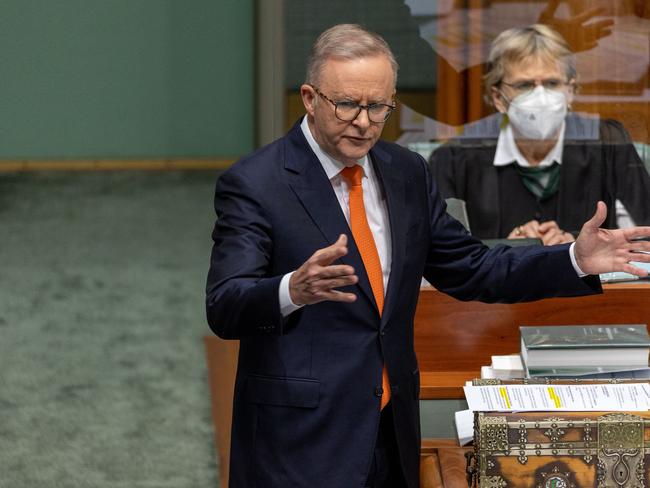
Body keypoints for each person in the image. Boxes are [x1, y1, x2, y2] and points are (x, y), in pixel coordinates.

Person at [205, 24, 650, 488]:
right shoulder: (256, 183)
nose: (363, 122)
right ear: (310, 98)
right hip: (300, 442)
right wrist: (290, 290)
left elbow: (474, 269)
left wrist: (574, 259)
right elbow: (224, 305)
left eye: (378, 107)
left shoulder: (405, 172)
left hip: (391, 431)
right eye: (347, 105)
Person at [429, 24, 650, 245]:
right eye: (524, 85)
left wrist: (574, 245)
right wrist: (501, 250)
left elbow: (645, 231)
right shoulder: (455, 157)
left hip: (585, 279)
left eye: (552, 83)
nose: (540, 96)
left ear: (570, 91)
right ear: (498, 97)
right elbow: (441, 249)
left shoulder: (608, 142)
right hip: (495, 279)